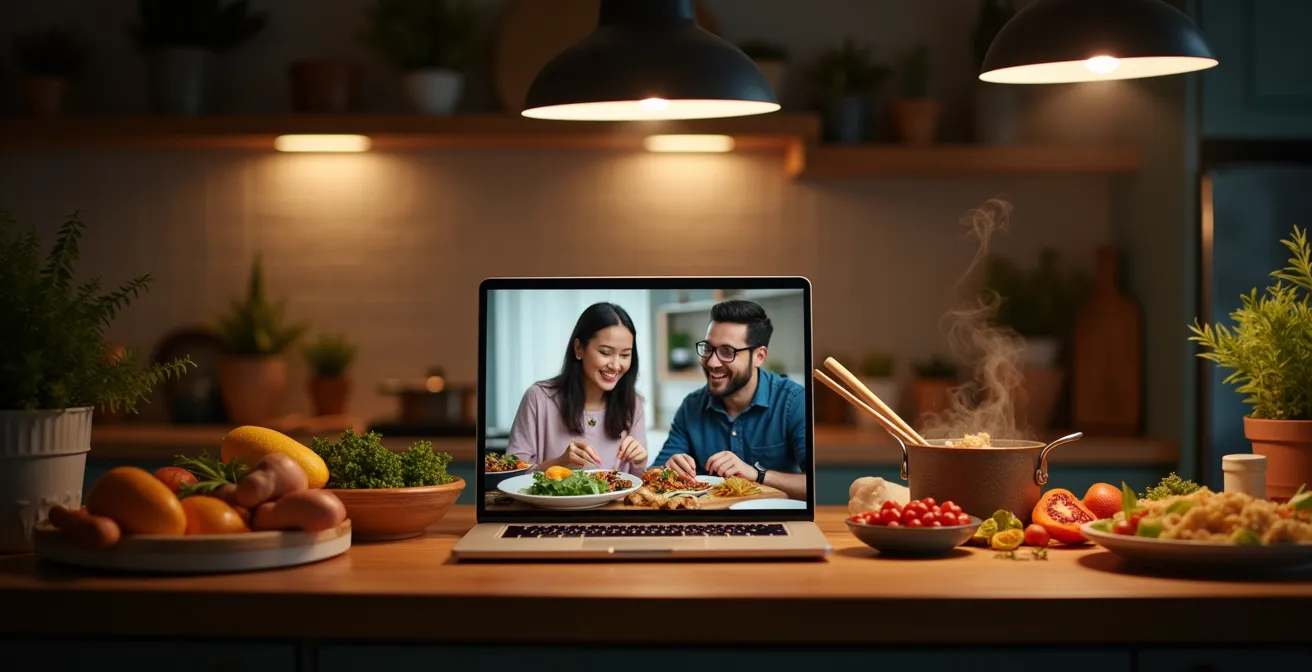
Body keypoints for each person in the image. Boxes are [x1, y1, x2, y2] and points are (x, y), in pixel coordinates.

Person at [655, 299, 807, 500]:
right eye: (708, 349)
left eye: (727, 352)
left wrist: (757, 475)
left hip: (772, 518)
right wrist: (668, 468)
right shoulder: (691, 406)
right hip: (708, 523)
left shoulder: (793, 401)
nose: (711, 362)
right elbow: (655, 472)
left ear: (759, 357)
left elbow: (814, 485)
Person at [505, 302, 649, 477]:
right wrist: (560, 463)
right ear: (579, 348)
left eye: (625, 355)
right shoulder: (539, 397)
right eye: (605, 352)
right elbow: (510, 475)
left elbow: (638, 481)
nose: (616, 365)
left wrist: (640, 460)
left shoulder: (633, 403)